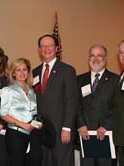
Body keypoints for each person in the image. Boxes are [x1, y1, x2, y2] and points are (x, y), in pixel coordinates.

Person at [32, 34, 78, 166]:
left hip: (61, 129)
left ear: (57, 48)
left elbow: (71, 101)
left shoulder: (67, 70)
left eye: (50, 46)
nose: (46, 49)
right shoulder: (35, 72)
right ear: (39, 49)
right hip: (42, 129)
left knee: (61, 161)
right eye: (43, 46)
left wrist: (67, 128)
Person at [77, 44, 118, 166]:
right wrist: (81, 125)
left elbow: (118, 106)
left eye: (99, 55)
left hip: (105, 133)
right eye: (92, 55)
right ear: (88, 58)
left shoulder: (115, 79)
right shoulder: (79, 79)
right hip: (86, 135)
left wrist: (105, 126)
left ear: (105, 59)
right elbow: (76, 104)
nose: (95, 59)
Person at [0, 58, 41, 166]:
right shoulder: (8, 90)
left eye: (24, 69)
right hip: (15, 135)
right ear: (13, 73)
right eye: (18, 70)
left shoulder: (32, 91)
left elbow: (35, 112)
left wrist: (37, 123)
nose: (22, 73)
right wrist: (23, 125)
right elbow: (3, 114)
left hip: (32, 134)